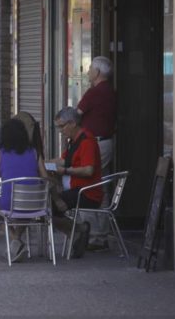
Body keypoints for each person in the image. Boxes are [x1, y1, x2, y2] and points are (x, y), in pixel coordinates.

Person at [0, 118, 49, 262]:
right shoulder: (34, 152)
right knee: (25, 211)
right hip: (36, 203)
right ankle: (17, 241)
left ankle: (16, 241)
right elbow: (46, 179)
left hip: (9, 203)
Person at [49, 107, 103, 258]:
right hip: (74, 189)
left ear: (72, 123)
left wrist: (65, 171)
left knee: (48, 207)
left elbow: (88, 170)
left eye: (62, 126)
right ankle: (77, 231)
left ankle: (78, 231)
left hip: (86, 192)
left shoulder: (87, 141)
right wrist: (43, 163)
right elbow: (63, 160)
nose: (60, 130)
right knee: (48, 204)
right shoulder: (73, 141)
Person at [77, 56, 116, 250]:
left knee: (88, 186)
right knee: (103, 187)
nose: (88, 71)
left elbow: (76, 114)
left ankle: (92, 235)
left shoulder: (94, 92)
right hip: (107, 143)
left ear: (98, 72)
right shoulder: (111, 92)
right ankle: (101, 235)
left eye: (91, 68)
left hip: (96, 145)